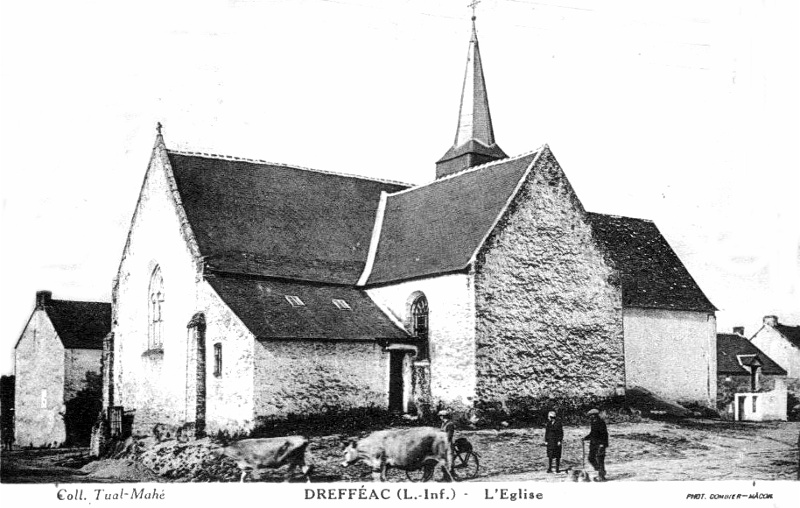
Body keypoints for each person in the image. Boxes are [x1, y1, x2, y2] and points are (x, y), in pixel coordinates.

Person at [583, 408, 608, 481]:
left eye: (591, 415)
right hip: (593, 444)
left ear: (594, 415)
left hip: (600, 444)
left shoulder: (601, 422)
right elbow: (592, 433)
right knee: (591, 458)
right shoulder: (593, 422)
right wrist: (585, 438)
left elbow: (604, 434)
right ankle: (600, 471)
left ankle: (601, 476)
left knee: (600, 459)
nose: (590, 417)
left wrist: (602, 444)